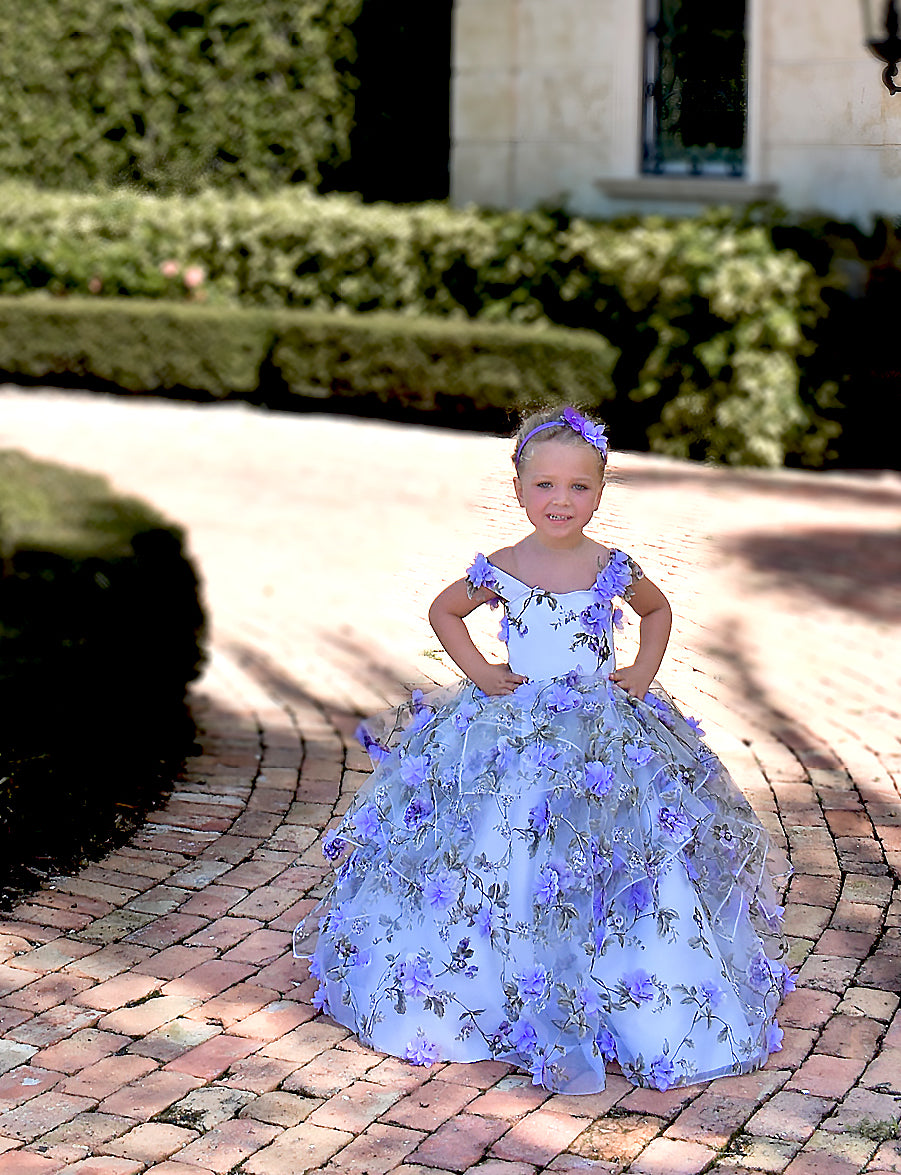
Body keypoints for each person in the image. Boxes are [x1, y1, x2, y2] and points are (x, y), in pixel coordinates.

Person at [295, 406, 791, 1094]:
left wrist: (641, 674)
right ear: (519, 490)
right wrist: (478, 672)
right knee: (504, 843)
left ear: (600, 490)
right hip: (512, 728)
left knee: (617, 849)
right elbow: (444, 610)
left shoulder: (609, 564)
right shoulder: (501, 567)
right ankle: (496, 988)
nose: (561, 500)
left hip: (599, 734)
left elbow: (657, 611)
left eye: (579, 487)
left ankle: (628, 991)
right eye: (545, 486)